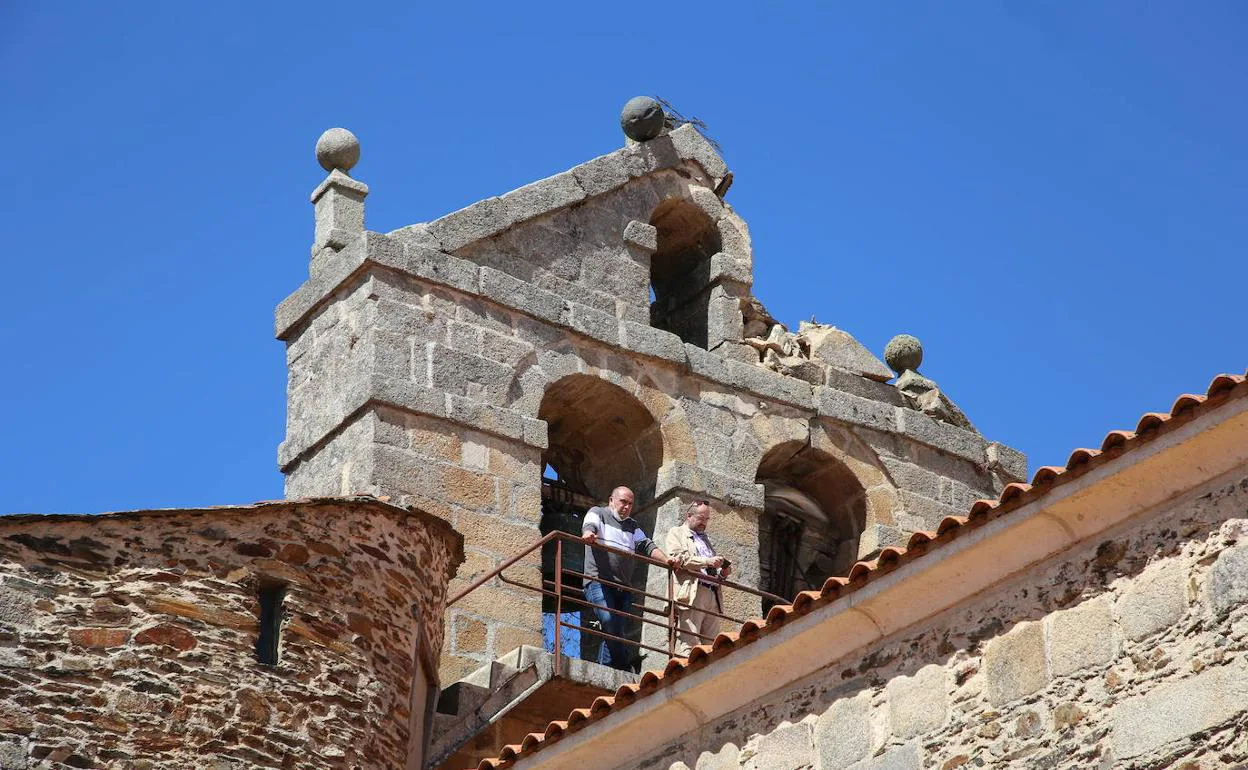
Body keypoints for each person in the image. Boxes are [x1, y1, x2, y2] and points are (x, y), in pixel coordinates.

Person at [582, 486, 669, 671]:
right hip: (598, 581)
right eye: (623, 502)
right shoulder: (598, 512)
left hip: (622, 587)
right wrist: (588, 534)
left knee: (615, 632)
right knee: (608, 620)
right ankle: (624, 664)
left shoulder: (632, 525)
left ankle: (606, 670)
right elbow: (590, 525)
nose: (627, 507)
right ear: (611, 500)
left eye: (630, 503)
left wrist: (667, 560)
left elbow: (646, 545)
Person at [665, 499, 731, 658]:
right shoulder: (677, 533)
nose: (704, 523)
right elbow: (679, 559)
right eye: (701, 518)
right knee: (689, 642)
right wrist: (708, 561)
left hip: (712, 593)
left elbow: (708, 569)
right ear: (689, 515)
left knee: (712, 645)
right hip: (692, 592)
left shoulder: (704, 538)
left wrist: (723, 572)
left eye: (707, 519)